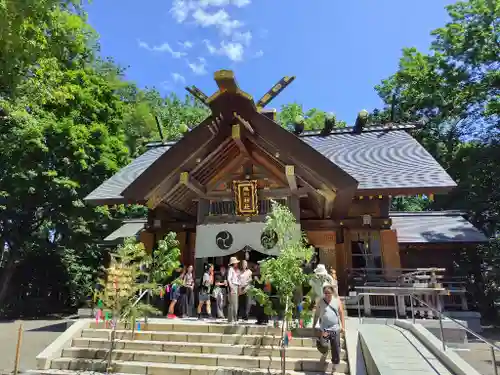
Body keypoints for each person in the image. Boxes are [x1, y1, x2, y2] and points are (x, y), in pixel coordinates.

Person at [314, 284, 345, 365]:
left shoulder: (337, 301)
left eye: (329, 293)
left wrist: (343, 327)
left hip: (335, 328)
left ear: (332, 293)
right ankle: (325, 353)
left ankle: (334, 365)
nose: (327, 295)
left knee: (335, 347)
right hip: (325, 328)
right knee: (323, 344)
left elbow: (341, 313)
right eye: (325, 293)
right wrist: (314, 325)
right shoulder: (320, 301)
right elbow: (316, 314)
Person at [227, 257, 240, 324]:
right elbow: (229, 279)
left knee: (235, 303)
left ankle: (233, 318)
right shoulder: (230, 269)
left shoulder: (235, 270)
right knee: (232, 303)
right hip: (233, 286)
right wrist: (231, 287)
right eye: (236, 263)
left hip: (236, 286)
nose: (237, 264)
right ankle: (231, 319)